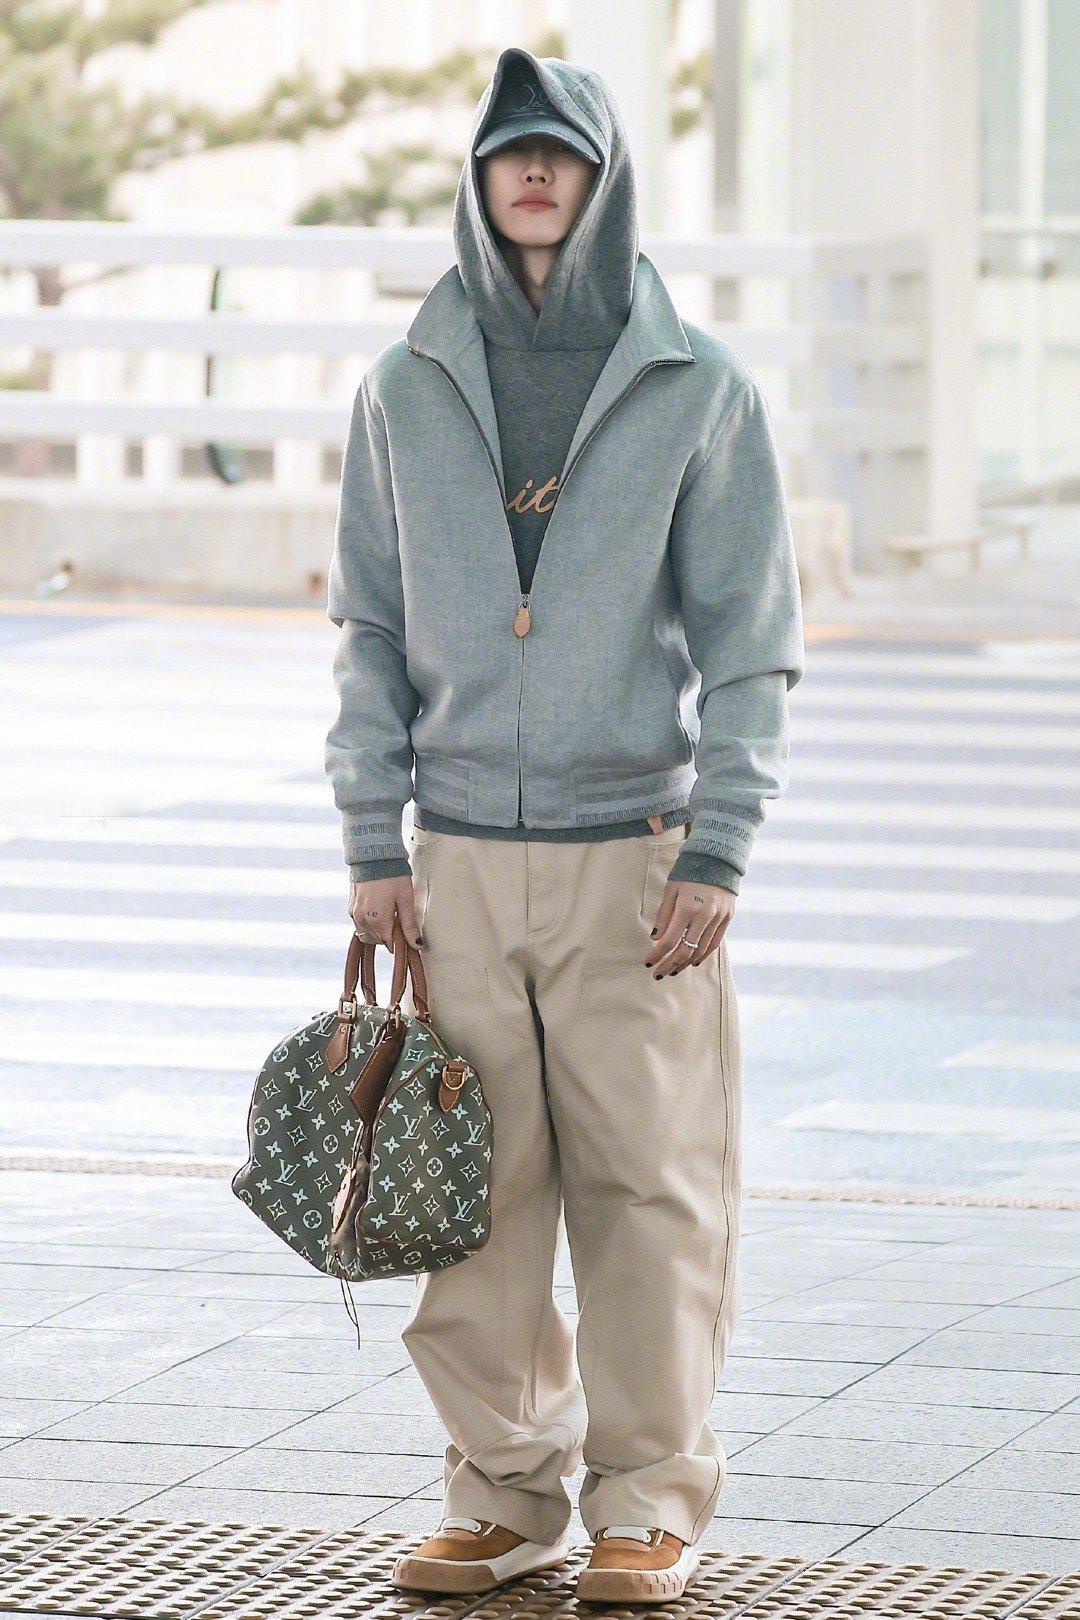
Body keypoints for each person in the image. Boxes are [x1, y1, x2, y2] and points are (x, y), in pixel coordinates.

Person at [324, 44, 804, 1608]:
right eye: (508, 151)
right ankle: (504, 1494)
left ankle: (649, 1501)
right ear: (476, 181)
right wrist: (372, 841)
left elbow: (751, 646)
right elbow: (368, 628)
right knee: (470, 1196)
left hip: (635, 864)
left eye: (563, 153)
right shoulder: (404, 387)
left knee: (650, 1193)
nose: (534, 173)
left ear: (605, 181)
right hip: (457, 865)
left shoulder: (698, 388)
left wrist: (719, 849)